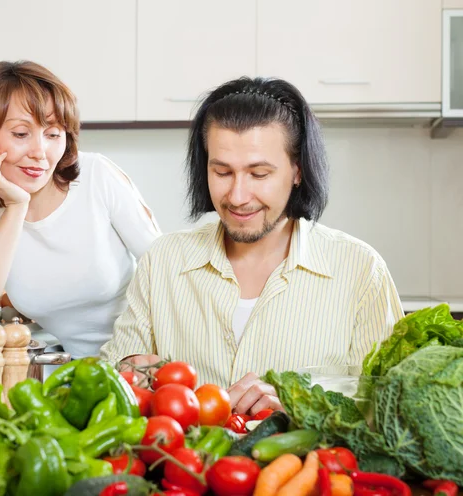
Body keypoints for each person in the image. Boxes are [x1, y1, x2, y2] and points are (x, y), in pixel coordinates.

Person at [101, 76, 403, 414]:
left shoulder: (361, 270)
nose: (238, 197)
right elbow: (116, 370)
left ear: (297, 171)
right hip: (184, 466)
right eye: (223, 172)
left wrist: (301, 405)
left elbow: (386, 405)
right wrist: (132, 371)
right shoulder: (163, 261)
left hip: (304, 467)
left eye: (259, 174)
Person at [0, 61, 160, 358]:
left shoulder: (96, 176)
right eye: (20, 134)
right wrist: (15, 207)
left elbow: (168, 272)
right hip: (75, 375)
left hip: (145, 361)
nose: (40, 152)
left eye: (53, 134)